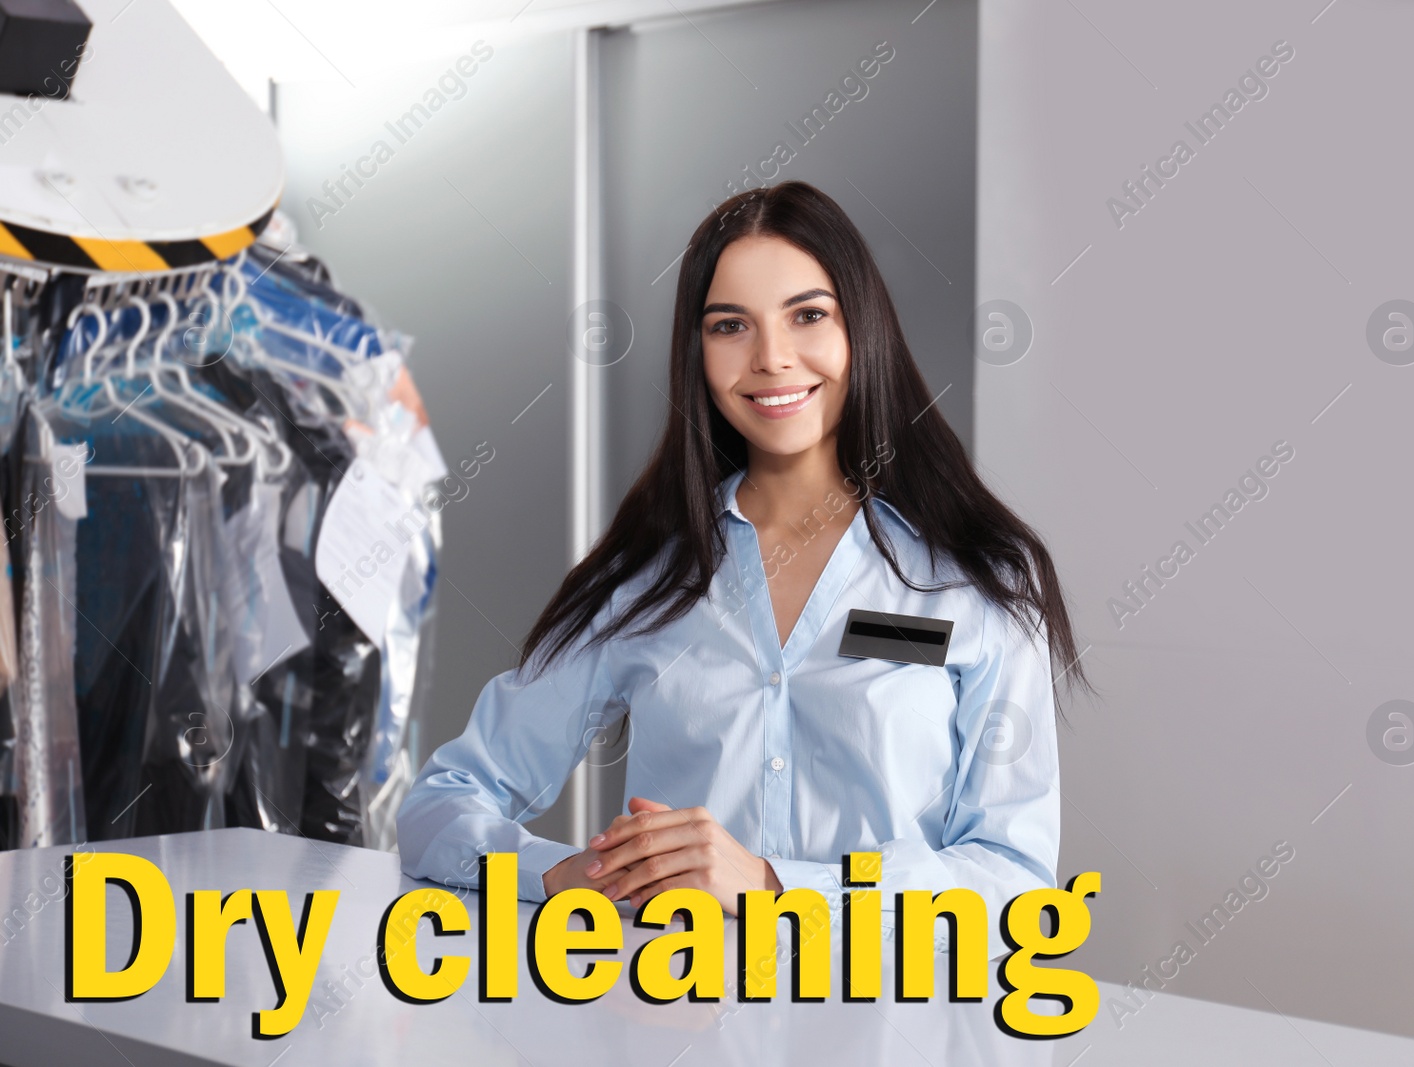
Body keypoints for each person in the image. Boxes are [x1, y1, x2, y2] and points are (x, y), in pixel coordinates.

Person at [395, 180, 1092, 953]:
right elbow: (437, 808)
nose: (771, 359)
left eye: (807, 315)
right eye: (731, 325)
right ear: (697, 350)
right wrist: (577, 875)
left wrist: (772, 885)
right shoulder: (648, 577)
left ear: (861, 327)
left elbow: (1015, 884)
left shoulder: (977, 577)